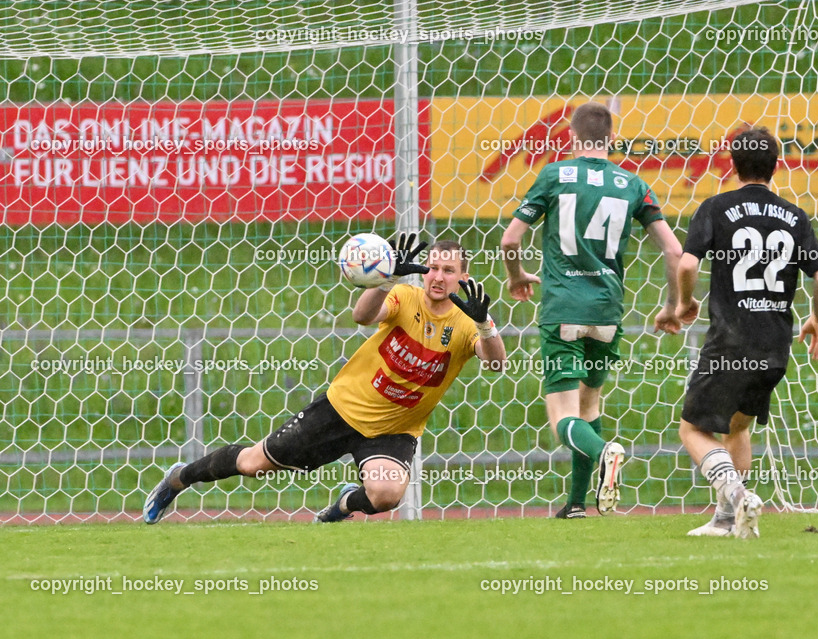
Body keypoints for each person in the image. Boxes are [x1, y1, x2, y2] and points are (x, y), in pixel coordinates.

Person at [143, 235, 506, 524]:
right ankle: (179, 479)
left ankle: (344, 505)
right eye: (433, 269)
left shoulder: (467, 322)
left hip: (394, 429)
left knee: (386, 496)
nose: (438, 277)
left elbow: (495, 365)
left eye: (448, 270)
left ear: (463, 277)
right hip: (341, 409)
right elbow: (362, 316)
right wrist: (387, 277)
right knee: (253, 465)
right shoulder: (404, 295)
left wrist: (484, 325)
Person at [501, 101, 683, 519]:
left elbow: (511, 240)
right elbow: (674, 251)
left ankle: (605, 453)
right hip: (607, 312)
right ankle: (578, 504)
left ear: (570, 135)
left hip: (562, 308)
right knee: (589, 406)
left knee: (562, 417)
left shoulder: (554, 175)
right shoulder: (634, 184)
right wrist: (671, 306)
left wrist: (516, 276)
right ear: (613, 139)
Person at [675, 126, 818, 539]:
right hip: (774, 346)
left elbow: (688, 265)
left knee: (692, 428)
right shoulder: (795, 216)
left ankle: (735, 492)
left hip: (731, 340)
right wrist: (817, 319)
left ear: (733, 164)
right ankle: (728, 520)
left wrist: (683, 303)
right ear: (775, 167)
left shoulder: (716, 207)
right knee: (738, 428)